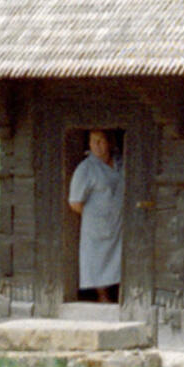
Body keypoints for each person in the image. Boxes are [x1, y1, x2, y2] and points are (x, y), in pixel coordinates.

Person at [67, 128, 125, 304]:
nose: (97, 146)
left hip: (120, 223)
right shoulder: (85, 169)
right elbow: (75, 202)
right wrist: (96, 216)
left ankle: (121, 296)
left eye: (101, 140)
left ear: (110, 142)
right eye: (93, 141)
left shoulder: (121, 162)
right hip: (96, 226)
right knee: (97, 263)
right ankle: (103, 298)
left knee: (121, 259)